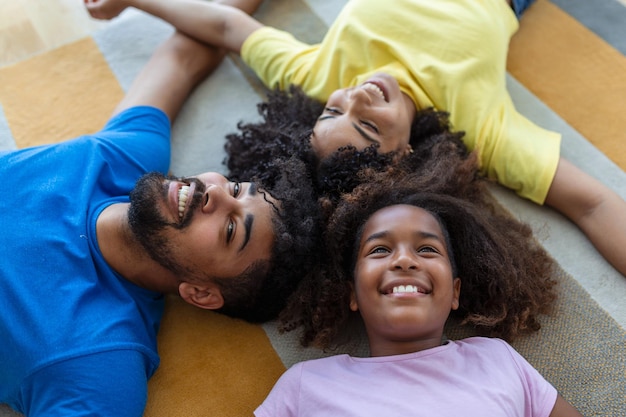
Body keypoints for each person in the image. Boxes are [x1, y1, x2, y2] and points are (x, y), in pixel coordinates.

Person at [85, 0, 626, 277]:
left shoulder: (321, 77)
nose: (358, 96)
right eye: (367, 125)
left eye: (334, 110)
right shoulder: (478, 128)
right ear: (405, 154)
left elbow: (227, 28)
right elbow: (594, 202)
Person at [0, 3, 320, 416]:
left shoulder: (97, 363)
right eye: (238, 187)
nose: (216, 192)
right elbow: (184, 55)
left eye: (229, 230)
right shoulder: (124, 161)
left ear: (201, 293)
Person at [256, 173, 583, 416]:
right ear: (352, 293)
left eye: (427, 249)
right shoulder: (305, 387)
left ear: (455, 292)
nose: (403, 260)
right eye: (380, 249)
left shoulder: (497, 360)